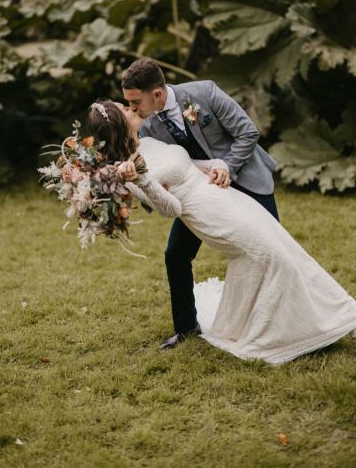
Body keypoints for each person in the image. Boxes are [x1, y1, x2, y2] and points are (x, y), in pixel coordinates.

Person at [87, 99, 356, 365]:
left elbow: (190, 163)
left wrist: (217, 165)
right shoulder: (127, 172)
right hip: (208, 214)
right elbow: (172, 209)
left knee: (284, 247)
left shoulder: (150, 141)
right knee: (272, 258)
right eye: (124, 109)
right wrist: (142, 179)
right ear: (119, 125)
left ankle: (340, 312)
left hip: (225, 195)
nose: (131, 106)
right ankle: (288, 333)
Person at [121, 58, 278, 350]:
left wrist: (227, 167)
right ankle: (186, 327)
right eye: (127, 103)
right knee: (176, 255)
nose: (131, 109)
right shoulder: (147, 125)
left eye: (135, 102)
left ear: (156, 94)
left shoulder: (204, 92)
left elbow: (248, 132)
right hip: (200, 198)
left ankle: (278, 320)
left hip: (246, 178)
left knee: (274, 251)